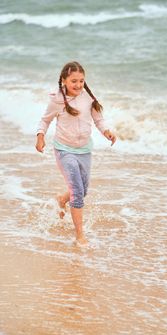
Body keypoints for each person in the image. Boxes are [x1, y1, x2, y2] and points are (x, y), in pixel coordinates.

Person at [35, 61, 116, 245]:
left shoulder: (88, 98)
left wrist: (106, 132)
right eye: (73, 81)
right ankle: (80, 235)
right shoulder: (57, 99)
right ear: (64, 80)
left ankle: (61, 199)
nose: (78, 85)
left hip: (84, 150)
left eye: (81, 81)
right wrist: (40, 136)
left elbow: (99, 120)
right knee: (78, 191)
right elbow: (45, 120)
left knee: (83, 189)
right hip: (64, 150)